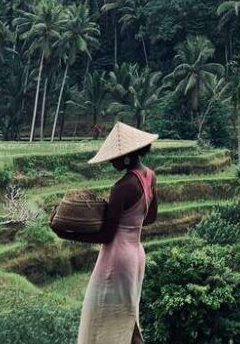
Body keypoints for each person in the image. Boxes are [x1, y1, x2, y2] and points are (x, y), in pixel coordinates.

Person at [53, 122, 159, 344]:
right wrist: (129, 222)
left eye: (115, 157)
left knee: (100, 313)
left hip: (116, 258)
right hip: (136, 255)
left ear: (127, 156)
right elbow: (150, 217)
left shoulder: (122, 187)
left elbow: (106, 236)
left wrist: (65, 233)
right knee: (128, 314)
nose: (112, 162)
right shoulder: (149, 176)